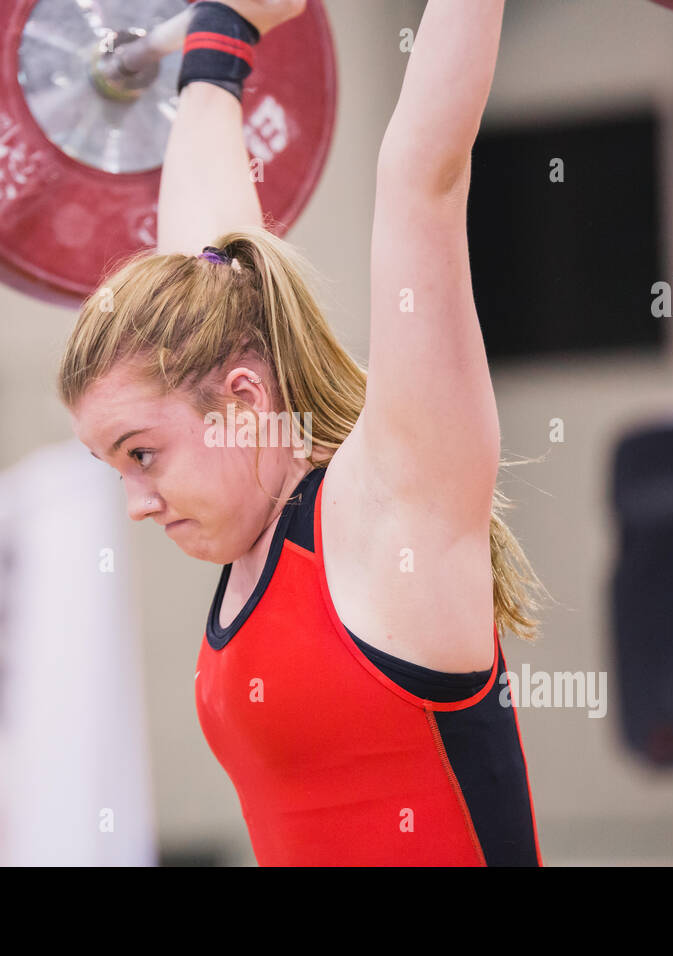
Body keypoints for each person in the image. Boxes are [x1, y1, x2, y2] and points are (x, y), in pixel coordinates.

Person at [58, 0, 547, 865]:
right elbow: (210, 275)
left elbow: (422, 177)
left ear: (242, 400)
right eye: (115, 469)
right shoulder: (252, 543)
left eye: (142, 456)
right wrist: (220, 41)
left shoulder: (390, 514)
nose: (136, 504)